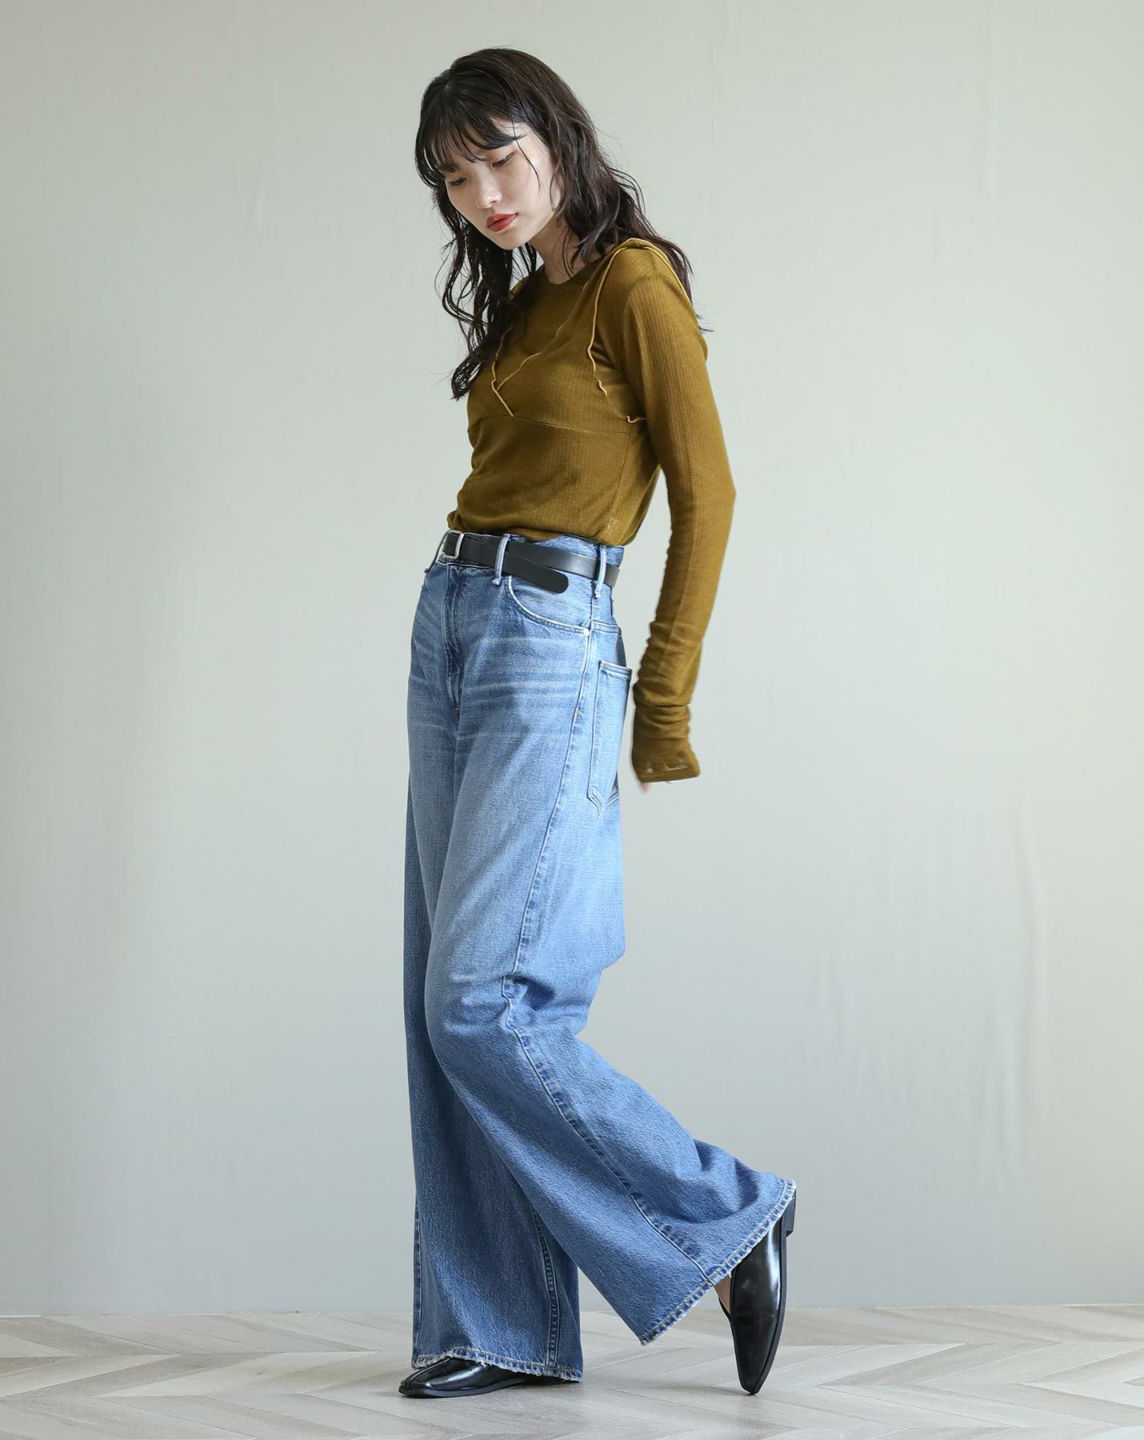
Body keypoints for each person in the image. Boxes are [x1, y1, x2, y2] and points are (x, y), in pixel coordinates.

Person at [399, 47, 797, 1400]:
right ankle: (500, 1323)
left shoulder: (634, 284)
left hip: (548, 639)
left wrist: (663, 697)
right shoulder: (524, 304)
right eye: (457, 179)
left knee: (483, 1003)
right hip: (453, 622)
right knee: (443, 999)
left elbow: (709, 491)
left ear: (557, 138)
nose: (486, 195)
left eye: (501, 158)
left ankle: (725, 1217)